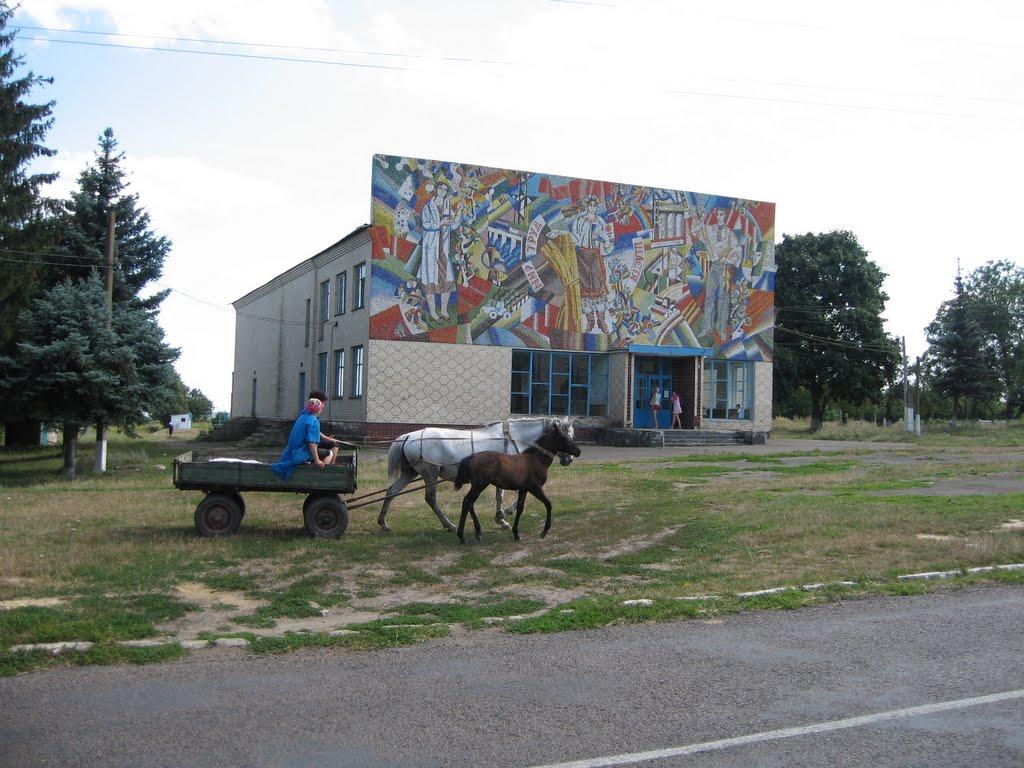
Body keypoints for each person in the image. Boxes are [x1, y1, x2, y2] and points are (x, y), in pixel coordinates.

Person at [271, 390, 340, 480]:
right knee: (329, 453)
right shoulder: (314, 421)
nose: (323, 407)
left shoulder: (303, 416)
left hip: (296, 451)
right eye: (322, 405)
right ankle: (322, 477)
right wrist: (317, 460)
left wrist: (327, 439)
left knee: (330, 447)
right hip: (301, 453)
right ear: (318, 409)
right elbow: (312, 443)